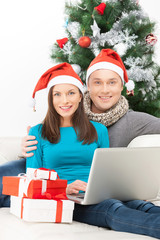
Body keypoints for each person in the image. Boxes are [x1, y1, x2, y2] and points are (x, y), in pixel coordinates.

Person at [1, 50, 160, 238]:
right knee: (112, 210)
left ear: (80, 96)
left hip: (98, 193)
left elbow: (106, 171)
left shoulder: (98, 130)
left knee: (142, 205)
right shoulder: (37, 132)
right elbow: (33, 181)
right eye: (57, 95)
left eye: (70, 93)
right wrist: (64, 189)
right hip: (66, 199)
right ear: (51, 100)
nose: (65, 100)